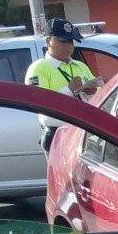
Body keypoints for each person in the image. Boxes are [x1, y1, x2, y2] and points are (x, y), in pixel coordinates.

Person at [24, 18, 103, 153]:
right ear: (48, 41)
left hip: (85, 135)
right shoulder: (39, 68)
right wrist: (69, 90)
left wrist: (93, 91)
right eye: (63, 41)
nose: (68, 46)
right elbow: (39, 105)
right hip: (58, 136)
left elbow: (100, 96)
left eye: (71, 41)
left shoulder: (80, 66)